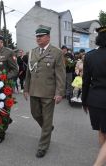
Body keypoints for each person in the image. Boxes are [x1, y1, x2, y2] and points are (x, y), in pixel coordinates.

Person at [24, 25, 66, 158]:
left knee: (47, 119)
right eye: (37, 36)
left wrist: (59, 92)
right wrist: (26, 88)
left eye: (41, 36)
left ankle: (43, 146)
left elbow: (60, 74)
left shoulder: (56, 52)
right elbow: (28, 73)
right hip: (34, 90)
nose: (38, 38)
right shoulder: (32, 52)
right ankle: (48, 128)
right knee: (35, 114)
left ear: (48, 37)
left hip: (48, 92)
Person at [82, 25, 106, 166]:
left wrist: (84, 102)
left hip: (94, 101)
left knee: (102, 132)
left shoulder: (89, 56)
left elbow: (85, 81)